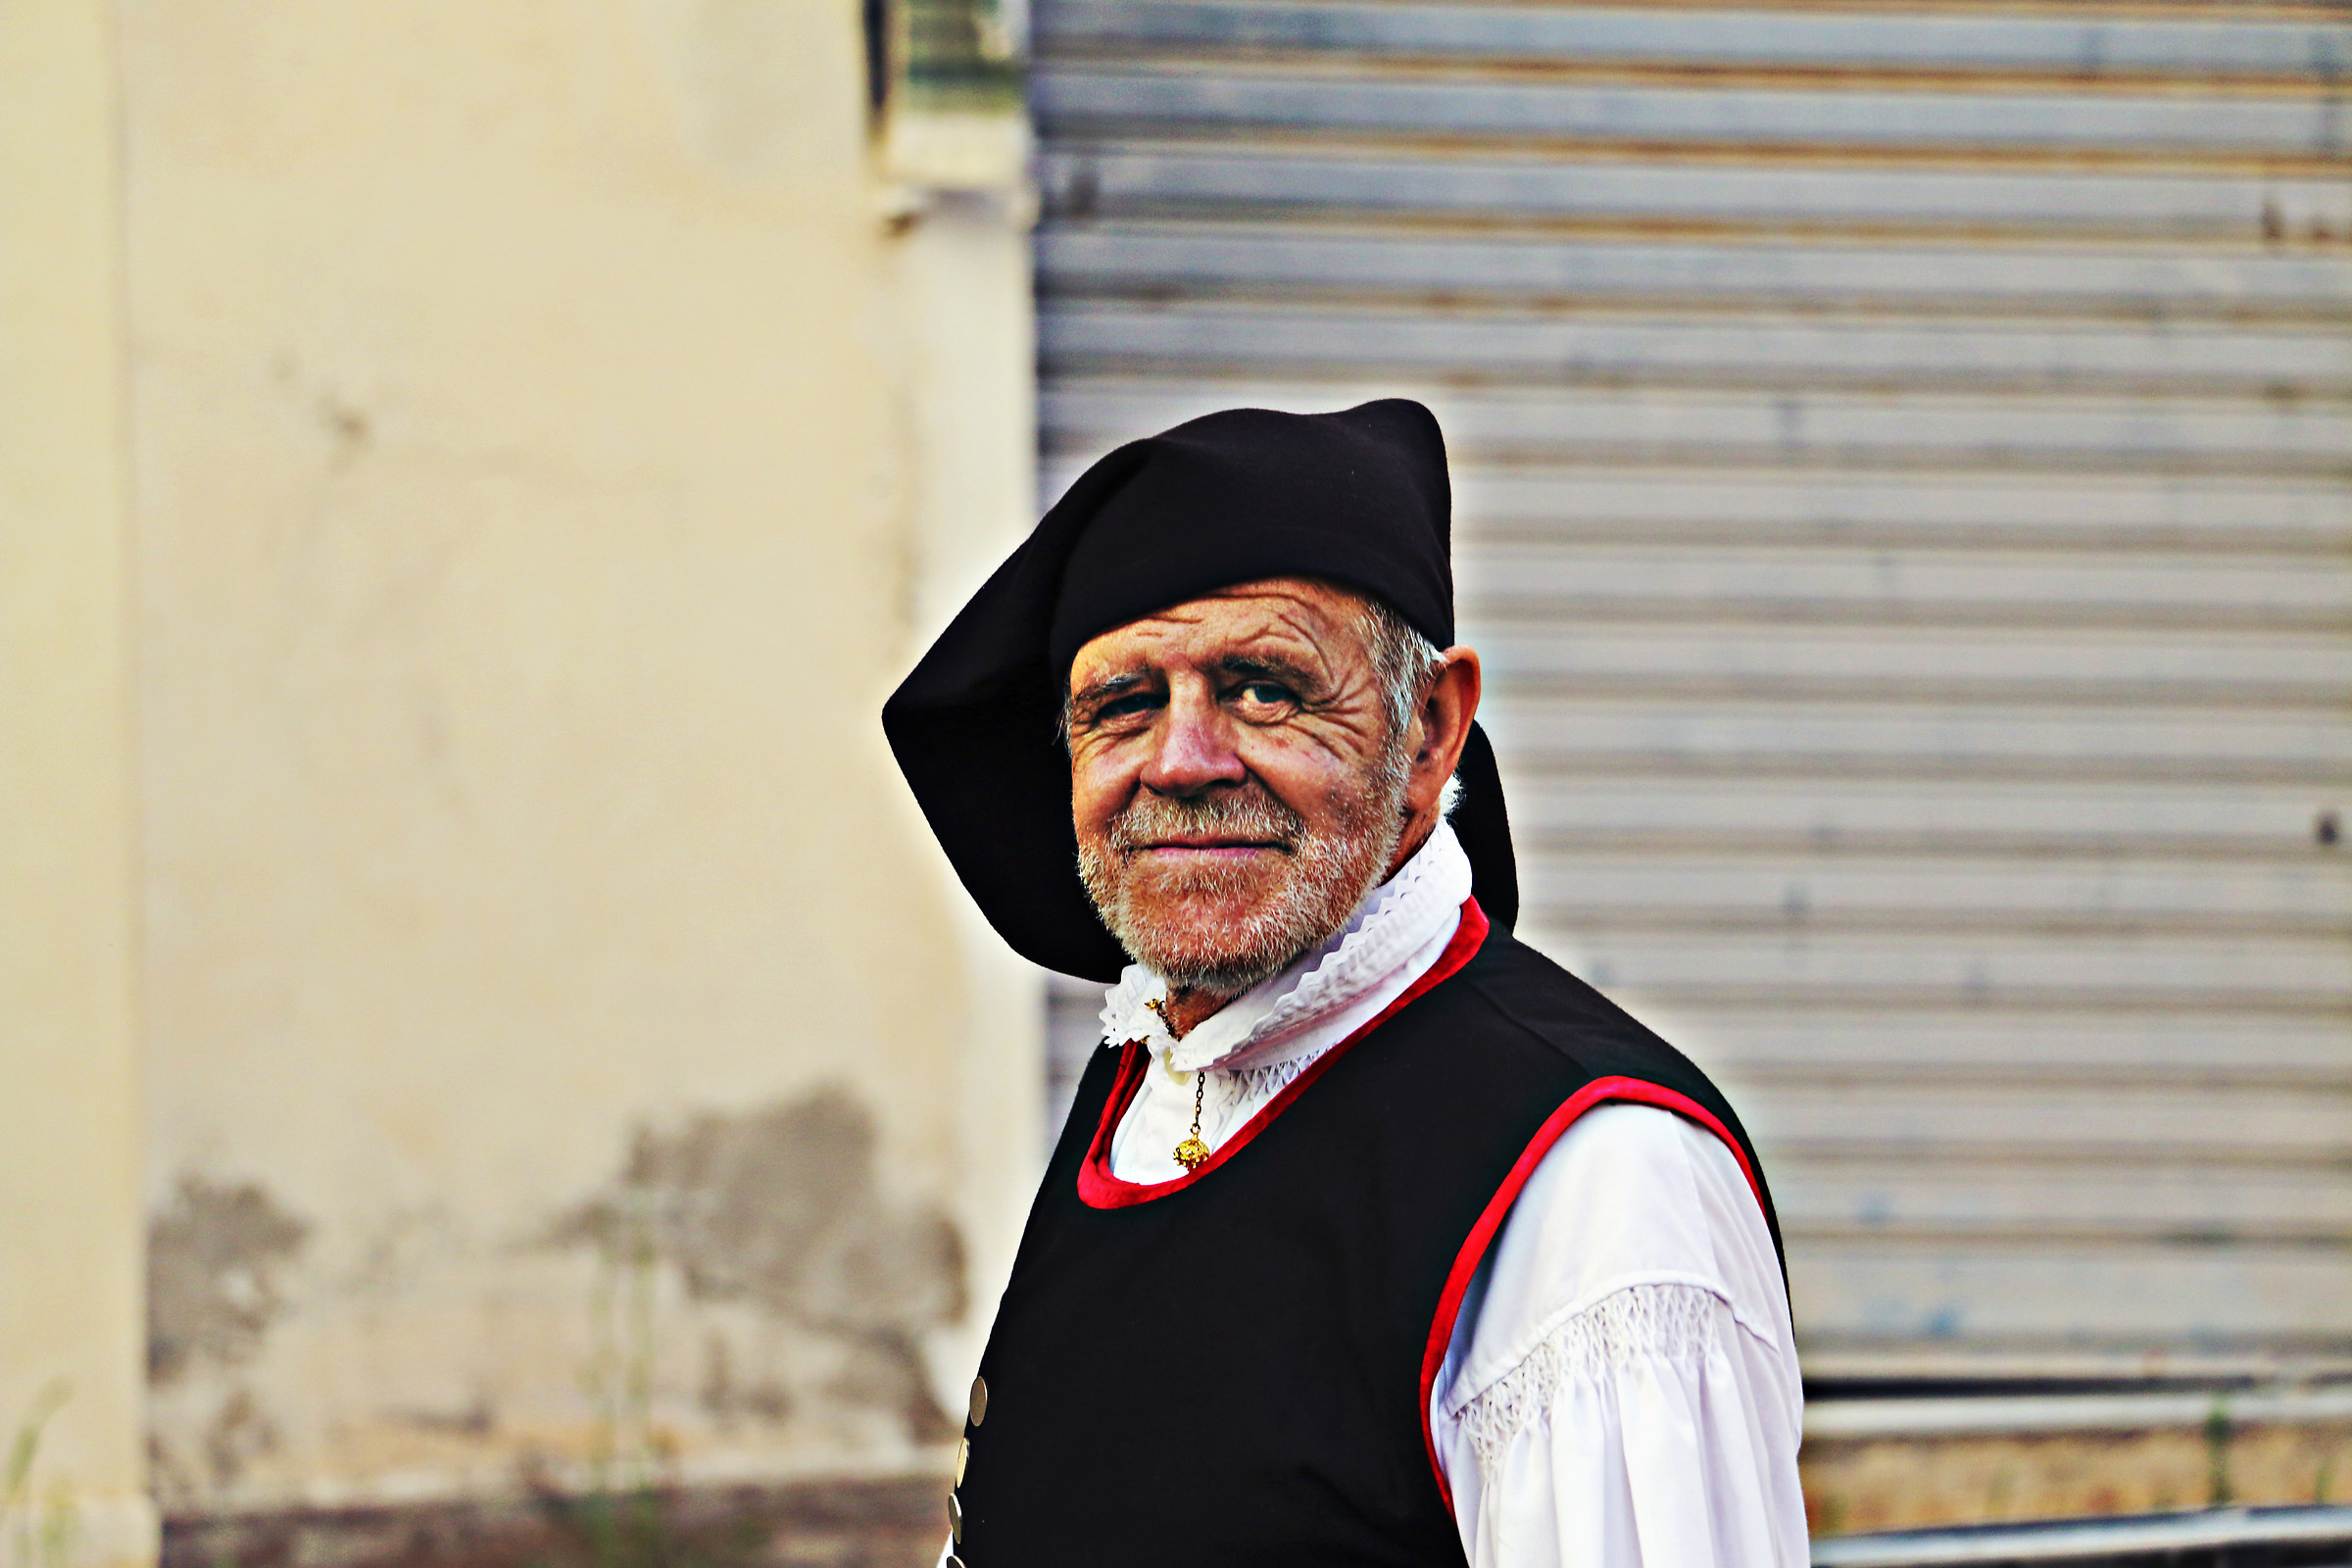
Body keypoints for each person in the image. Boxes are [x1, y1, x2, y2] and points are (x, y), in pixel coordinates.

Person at [884, 401, 1805, 1567]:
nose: (1181, 760)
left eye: (1264, 688)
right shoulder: (1157, 1070)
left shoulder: (1598, 1189)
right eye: (1123, 704)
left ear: (1428, 734)